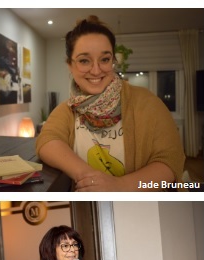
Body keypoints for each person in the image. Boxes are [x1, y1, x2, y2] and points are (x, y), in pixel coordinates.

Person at [36, 16, 185, 192]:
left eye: (104, 59)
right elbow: (46, 141)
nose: (96, 70)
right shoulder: (67, 110)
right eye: (85, 60)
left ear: (113, 61)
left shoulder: (148, 103)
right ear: (70, 65)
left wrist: (119, 186)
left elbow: (171, 161)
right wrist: (91, 179)